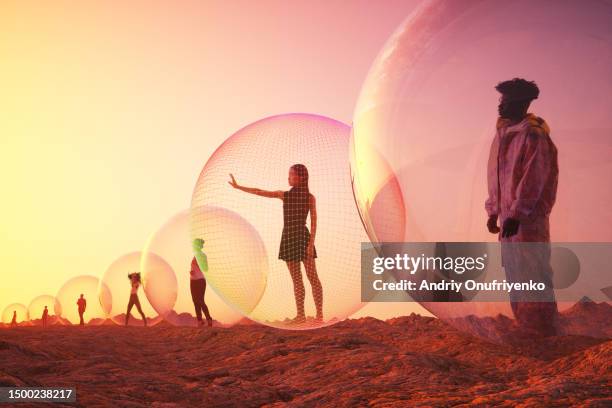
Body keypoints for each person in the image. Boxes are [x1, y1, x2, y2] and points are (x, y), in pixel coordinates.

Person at [485, 78, 559, 337]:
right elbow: (497, 175)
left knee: (534, 268)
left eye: (505, 101)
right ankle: (525, 325)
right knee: (515, 270)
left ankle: (544, 328)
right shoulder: (504, 135)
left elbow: (534, 177)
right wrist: (494, 209)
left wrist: (517, 213)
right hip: (508, 218)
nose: (500, 106)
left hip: (527, 219)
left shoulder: (533, 135)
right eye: (500, 101)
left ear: (521, 103)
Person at [229, 164, 323, 324]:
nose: (288, 177)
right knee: (296, 279)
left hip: (303, 236)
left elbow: (314, 221)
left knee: (312, 277)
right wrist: (239, 187)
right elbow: (260, 191)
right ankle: (301, 316)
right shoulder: (284, 195)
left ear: (301, 178)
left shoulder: (309, 197)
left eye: (291, 175)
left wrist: (310, 243)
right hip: (288, 238)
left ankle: (319, 315)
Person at [190, 238, 213, 327]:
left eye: (194, 245)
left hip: (200, 280)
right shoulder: (195, 255)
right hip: (193, 280)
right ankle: (199, 321)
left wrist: (199, 266)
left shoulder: (202, 255)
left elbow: (205, 268)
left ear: (198, 246)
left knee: (200, 300)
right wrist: (192, 272)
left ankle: (209, 319)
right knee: (195, 301)